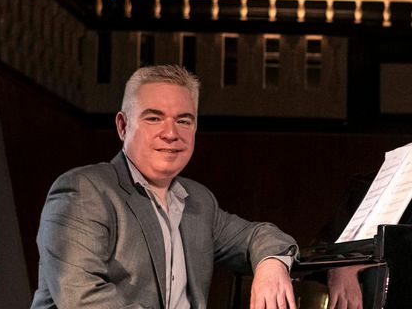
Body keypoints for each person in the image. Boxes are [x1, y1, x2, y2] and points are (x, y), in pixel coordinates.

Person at [31, 64, 298, 309]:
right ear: (123, 126)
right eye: (154, 118)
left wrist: (271, 264)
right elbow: (83, 300)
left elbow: (258, 235)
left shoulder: (199, 202)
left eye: (184, 121)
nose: (171, 134)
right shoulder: (82, 191)